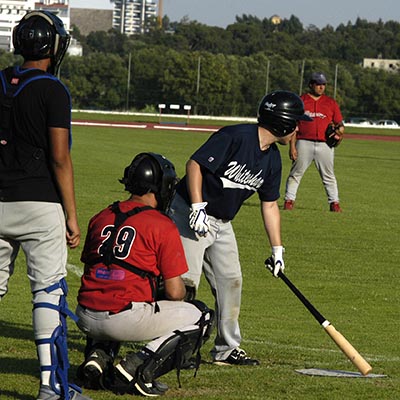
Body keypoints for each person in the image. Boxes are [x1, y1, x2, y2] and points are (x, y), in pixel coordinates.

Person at [169, 90, 312, 366]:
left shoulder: (271, 160)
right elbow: (195, 165)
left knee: (231, 280)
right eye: (295, 123)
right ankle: (172, 346)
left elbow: (269, 205)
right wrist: (197, 207)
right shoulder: (236, 137)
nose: (297, 129)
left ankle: (226, 349)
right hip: (189, 211)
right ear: (282, 122)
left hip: (222, 222)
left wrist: (277, 249)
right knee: (185, 283)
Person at [0, 10, 90, 400]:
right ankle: (50, 386)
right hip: (38, 203)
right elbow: (59, 158)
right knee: (48, 293)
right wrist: (71, 214)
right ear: (53, 48)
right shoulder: (54, 90)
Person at [75, 152, 214, 397]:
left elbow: (93, 269)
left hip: (85, 315)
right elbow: (174, 292)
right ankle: (135, 370)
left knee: (115, 290)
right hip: (122, 318)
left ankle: (98, 356)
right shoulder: (161, 223)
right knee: (202, 315)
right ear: (159, 187)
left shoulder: (102, 216)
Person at [283, 72, 345, 212]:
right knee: (296, 173)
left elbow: (340, 124)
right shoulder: (301, 101)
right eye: (318, 84)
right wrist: (292, 147)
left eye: (323, 84)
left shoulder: (331, 103)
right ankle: (289, 200)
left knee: (329, 176)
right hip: (303, 142)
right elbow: (294, 126)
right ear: (311, 85)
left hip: (325, 145)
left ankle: (334, 203)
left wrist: (339, 133)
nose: (321, 87)